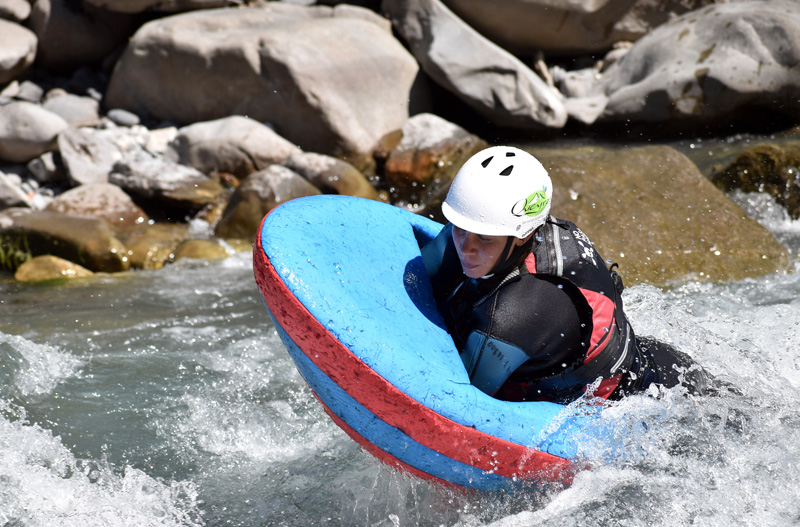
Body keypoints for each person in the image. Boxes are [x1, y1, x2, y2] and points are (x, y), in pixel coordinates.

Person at [421, 145, 709, 403]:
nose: (465, 248)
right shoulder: (487, 230)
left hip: (652, 400)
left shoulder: (514, 314)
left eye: (484, 238)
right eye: (459, 227)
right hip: (650, 357)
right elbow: (413, 277)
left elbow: (456, 400)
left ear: (523, 236)